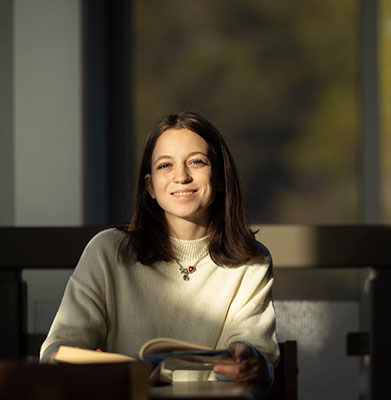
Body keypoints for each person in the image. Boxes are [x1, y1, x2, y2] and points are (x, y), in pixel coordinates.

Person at [40, 111, 279, 384]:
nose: (181, 176)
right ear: (150, 186)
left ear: (221, 178)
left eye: (197, 162)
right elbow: (57, 352)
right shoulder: (106, 251)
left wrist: (249, 363)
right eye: (165, 165)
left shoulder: (252, 262)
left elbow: (256, 361)